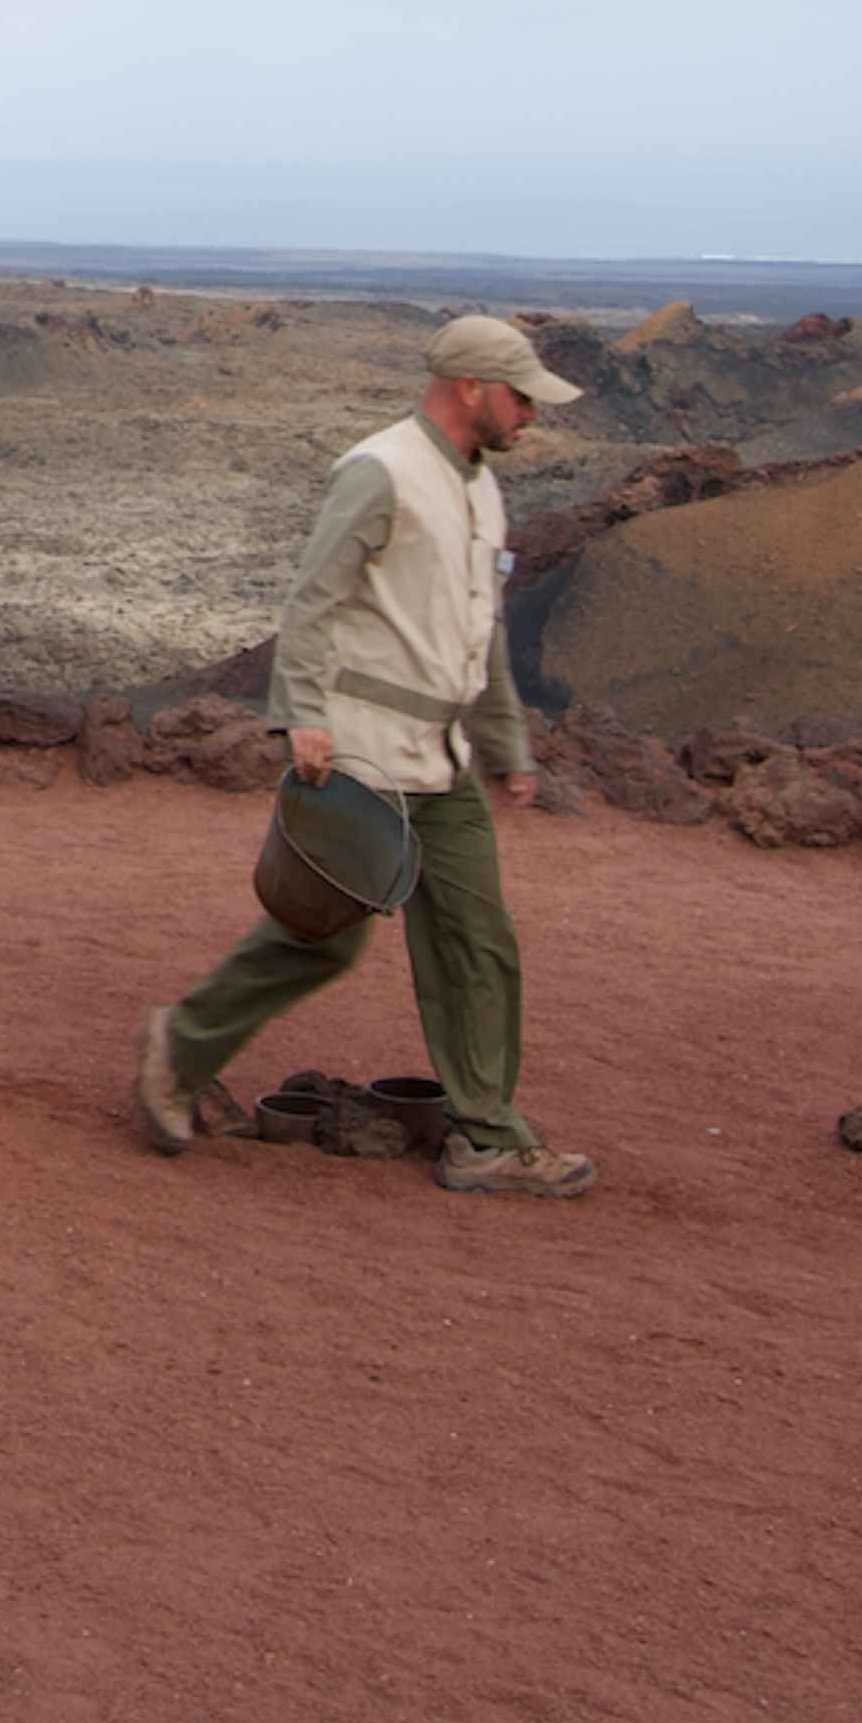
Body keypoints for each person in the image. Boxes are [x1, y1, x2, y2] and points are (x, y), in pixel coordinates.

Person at [131, 312, 598, 1197]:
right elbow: (313, 596)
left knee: (477, 943)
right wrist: (300, 711)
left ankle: (485, 1136)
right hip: (364, 754)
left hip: (446, 757)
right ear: (470, 387)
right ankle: (179, 1045)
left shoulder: (482, 489)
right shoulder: (381, 470)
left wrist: (506, 745)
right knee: (323, 942)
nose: (533, 412)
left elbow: (483, 632)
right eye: (522, 395)